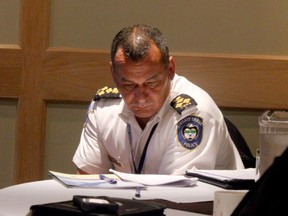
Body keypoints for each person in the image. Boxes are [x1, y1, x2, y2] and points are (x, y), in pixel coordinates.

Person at [73, 24, 244, 175]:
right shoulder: (103, 107)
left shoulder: (193, 113)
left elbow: (178, 197)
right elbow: (87, 180)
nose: (140, 98)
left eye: (152, 83)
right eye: (128, 85)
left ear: (170, 69)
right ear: (113, 73)